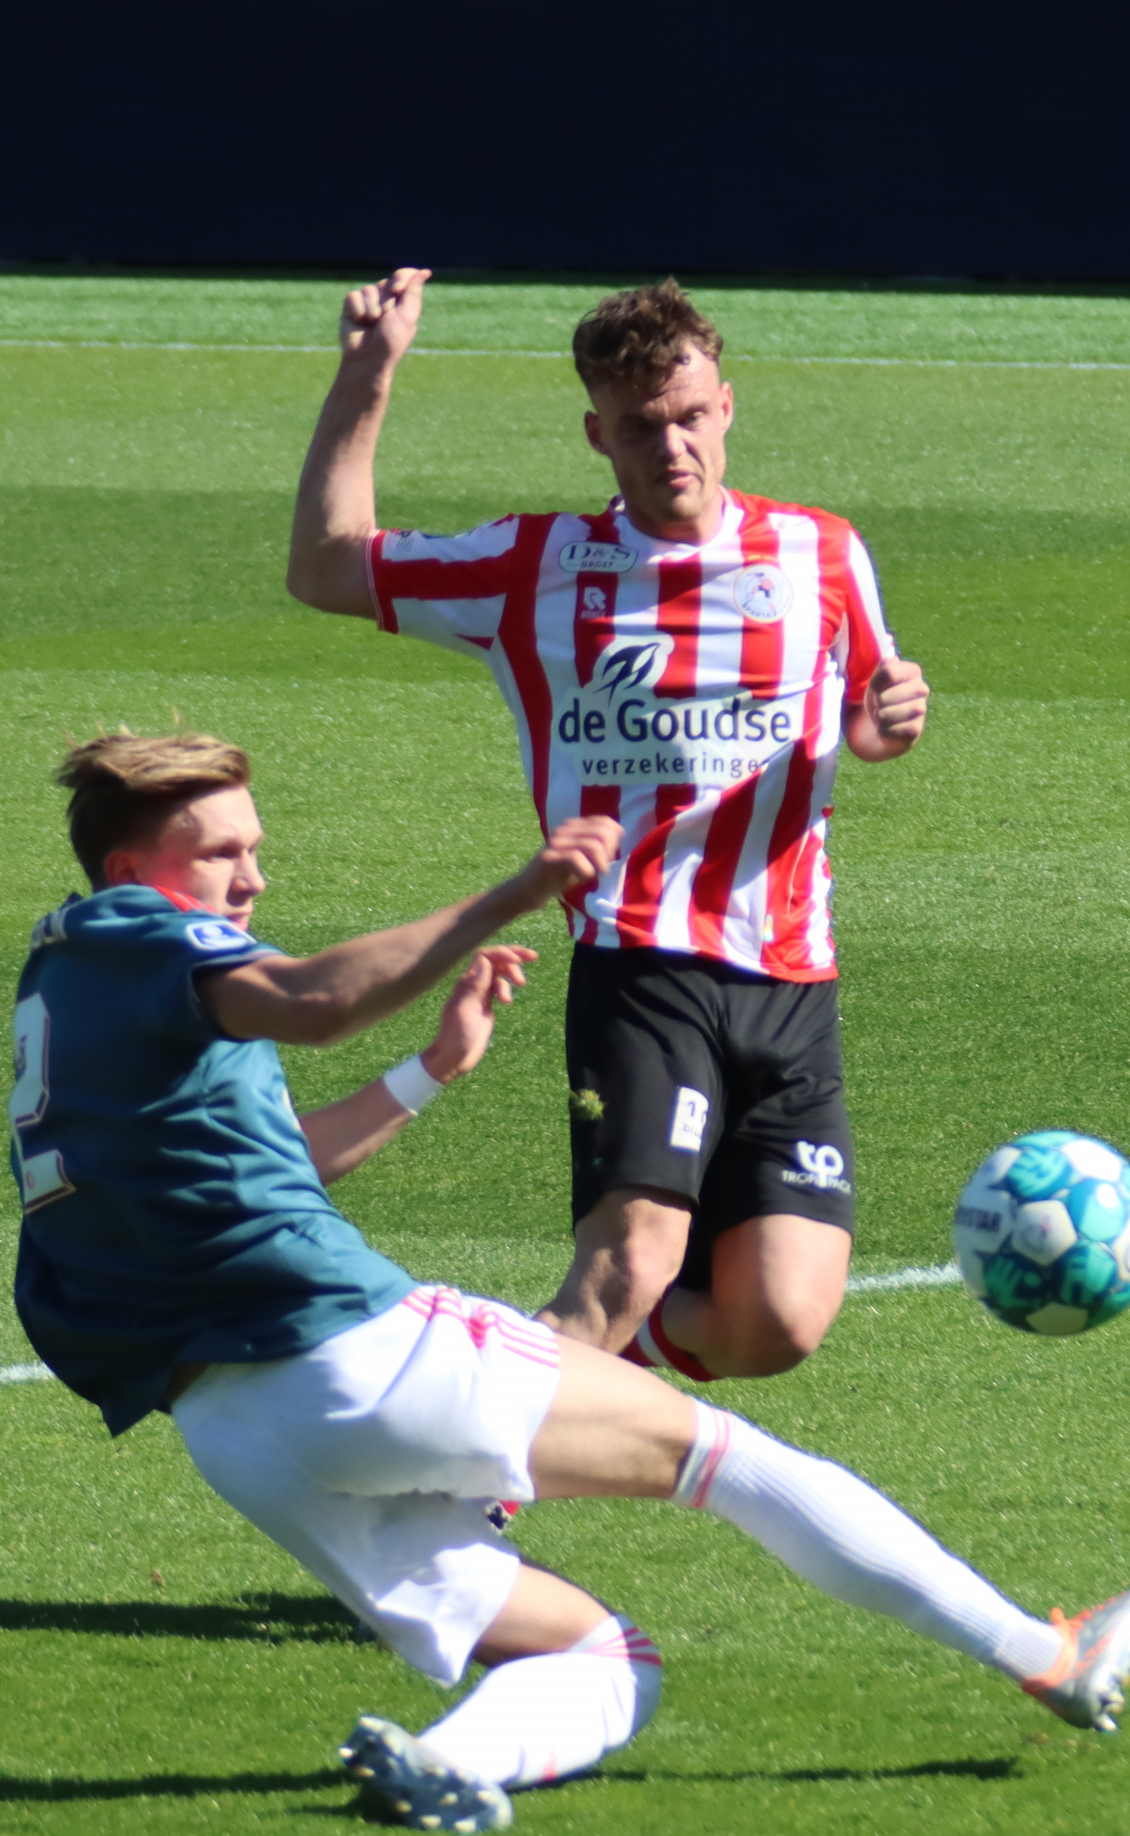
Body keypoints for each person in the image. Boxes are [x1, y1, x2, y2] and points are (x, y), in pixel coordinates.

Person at [10, 731, 1130, 1834]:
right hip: (352, 1352)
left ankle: (451, 1765)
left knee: (601, 1655)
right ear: (129, 867)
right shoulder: (142, 934)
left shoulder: (69, 982)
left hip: (240, 1435)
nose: (253, 876)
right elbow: (313, 1000)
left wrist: (427, 1074)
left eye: (256, 846)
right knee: (737, 1464)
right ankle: (1049, 1654)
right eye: (222, 850)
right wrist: (512, 894)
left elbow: (273, 1161)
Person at [287, 268, 921, 1384]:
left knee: (778, 1322)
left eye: (689, 417)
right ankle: (463, 1479)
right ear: (598, 434)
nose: (671, 446)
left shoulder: (825, 552)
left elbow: (865, 719)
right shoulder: (534, 567)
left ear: (726, 408)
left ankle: (633, 1349)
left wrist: (889, 723)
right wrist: (367, 374)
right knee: (622, 1273)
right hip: (642, 968)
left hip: (795, 985)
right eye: (640, 427)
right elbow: (326, 567)